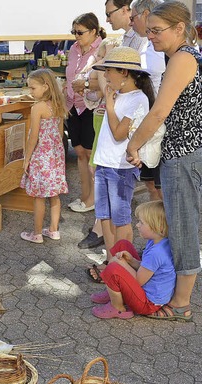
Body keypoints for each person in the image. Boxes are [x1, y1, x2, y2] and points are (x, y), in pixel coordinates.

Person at [126, 1, 202, 321]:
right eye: (150, 30)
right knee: (181, 223)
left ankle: (182, 304)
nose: (151, 36)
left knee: (183, 228)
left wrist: (134, 144)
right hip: (183, 153)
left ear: (179, 28)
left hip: (183, 155)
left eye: (157, 31)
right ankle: (175, 291)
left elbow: (160, 112)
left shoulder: (183, 58)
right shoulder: (183, 57)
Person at [85, 46, 155, 282]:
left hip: (120, 168)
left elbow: (118, 134)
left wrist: (110, 105)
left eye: (109, 71)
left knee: (120, 218)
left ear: (124, 72)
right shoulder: (118, 95)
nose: (105, 76)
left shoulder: (138, 99)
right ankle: (111, 262)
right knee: (104, 216)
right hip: (105, 163)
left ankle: (122, 266)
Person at [91, 201, 175, 319]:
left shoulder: (156, 253)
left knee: (113, 268)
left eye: (142, 222)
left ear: (158, 227)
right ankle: (115, 292)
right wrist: (131, 261)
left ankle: (117, 307)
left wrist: (121, 264)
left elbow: (139, 280)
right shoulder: (158, 241)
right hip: (146, 290)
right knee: (123, 245)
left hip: (147, 304)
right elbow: (147, 268)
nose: (137, 225)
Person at [19, 69, 69, 243]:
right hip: (55, 155)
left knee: (39, 197)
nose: (30, 92)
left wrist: (27, 158)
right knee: (54, 195)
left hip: (41, 155)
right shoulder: (59, 104)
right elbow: (60, 132)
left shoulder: (37, 108)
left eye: (33, 88)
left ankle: (37, 233)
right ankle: (54, 230)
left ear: (45, 87)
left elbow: (34, 136)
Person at [64, 13, 106, 215]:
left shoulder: (103, 49)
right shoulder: (73, 49)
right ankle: (85, 196)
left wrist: (86, 84)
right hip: (74, 106)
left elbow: (108, 80)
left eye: (79, 32)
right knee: (80, 151)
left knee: (91, 155)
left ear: (93, 31)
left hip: (92, 106)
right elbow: (70, 76)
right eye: (73, 32)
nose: (76, 36)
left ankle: (94, 199)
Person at [129, 0, 167, 202]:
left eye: (132, 17)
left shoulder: (165, 49)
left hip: (161, 126)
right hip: (151, 123)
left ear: (145, 14)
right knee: (152, 185)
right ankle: (157, 230)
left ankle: (164, 231)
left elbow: (162, 98)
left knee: (162, 189)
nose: (131, 23)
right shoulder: (147, 44)